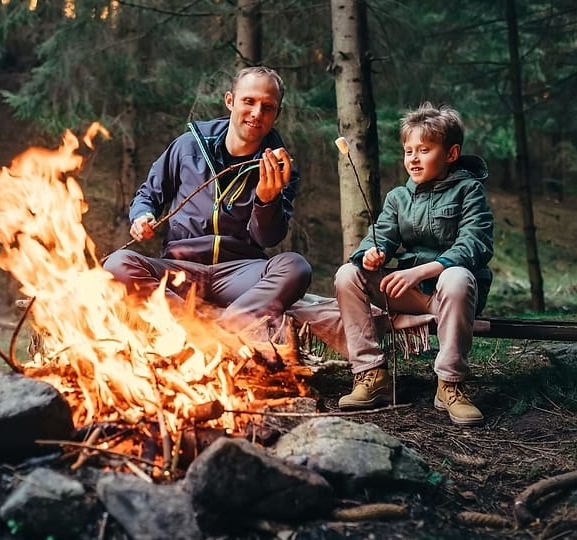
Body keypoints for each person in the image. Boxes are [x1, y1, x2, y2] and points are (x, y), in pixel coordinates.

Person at [103, 66, 311, 342]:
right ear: (230, 100)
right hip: (180, 271)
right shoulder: (188, 147)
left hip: (240, 273)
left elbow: (268, 238)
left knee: (296, 267)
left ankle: (220, 328)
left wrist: (266, 199)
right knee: (117, 264)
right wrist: (142, 216)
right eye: (248, 101)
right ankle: (202, 328)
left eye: (267, 107)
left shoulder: (280, 166)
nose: (256, 113)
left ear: (277, 114)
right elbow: (148, 194)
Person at [334, 102, 493, 426]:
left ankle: (450, 385)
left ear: (451, 154)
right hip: (408, 291)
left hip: (451, 295)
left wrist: (425, 269)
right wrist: (371, 254)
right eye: (409, 151)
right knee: (348, 274)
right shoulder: (398, 198)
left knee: (457, 277)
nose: (414, 158)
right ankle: (371, 374)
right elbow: (379, 237)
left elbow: (476, 242)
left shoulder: (469, 190)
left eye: (424, 149)